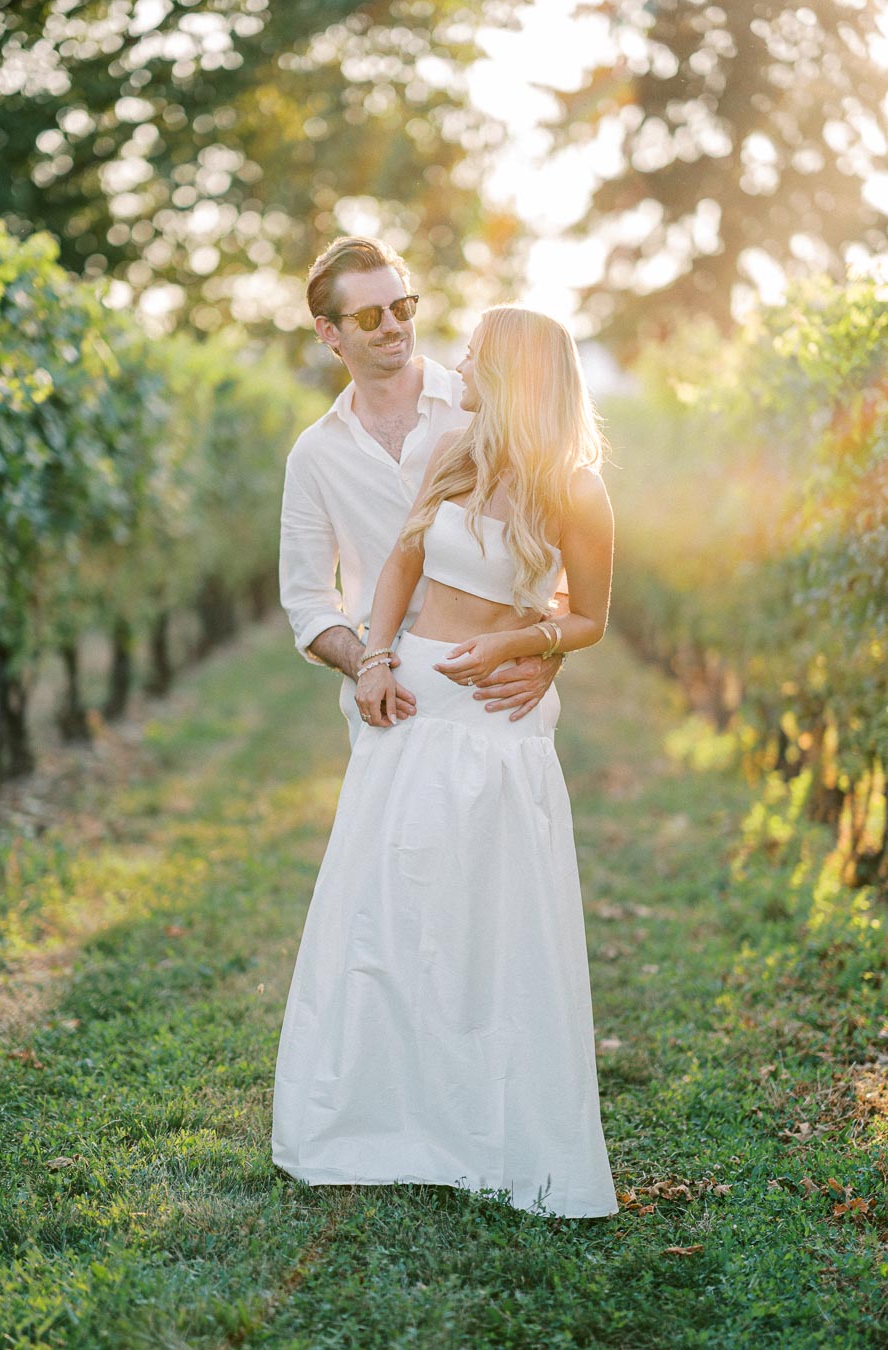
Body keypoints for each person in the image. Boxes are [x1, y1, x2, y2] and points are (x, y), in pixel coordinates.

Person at [272, 304, 619, 1219]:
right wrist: (377, 661)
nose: (456, 361)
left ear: (514, 376)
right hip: (418, 694)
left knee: (492, 915)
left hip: (499, 715)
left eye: (474, 353)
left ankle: (491, 1128)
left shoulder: (577, 489)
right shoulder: (459, 456)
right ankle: (377, 1117)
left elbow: (590, 615)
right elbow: (398, 565)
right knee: (387, 904)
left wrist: (526, 650)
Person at [279, 235, 564, 745]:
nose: (392, 326)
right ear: (329, 332)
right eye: (369, 317)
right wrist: (372, 664)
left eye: (401, 307)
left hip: (496, 694)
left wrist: (547, 653)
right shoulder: (314, 455)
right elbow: (307, 600)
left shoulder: (479, 400)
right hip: (390, 710)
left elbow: (565, 543)